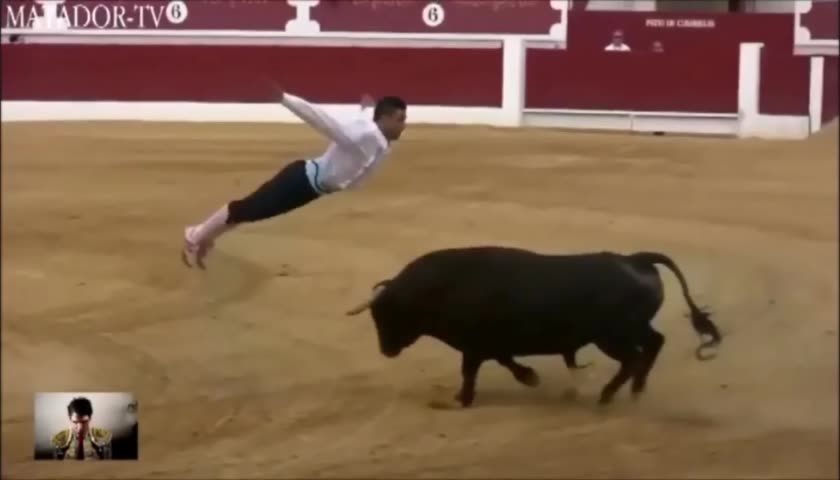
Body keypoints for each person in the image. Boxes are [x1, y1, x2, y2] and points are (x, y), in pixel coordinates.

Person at [181, 88, 408, 269]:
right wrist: (286, 100)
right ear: (385, 118)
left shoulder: (379, 139)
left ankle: (206, 235)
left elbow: (366, 126)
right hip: (300, 181)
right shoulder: (368, 136)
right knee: (248, 209)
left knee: (253, 212)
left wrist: (366, 109)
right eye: (400, 119)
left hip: (310, 187)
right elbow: (325, 122)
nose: (403, 125)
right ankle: (195, 235)